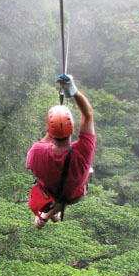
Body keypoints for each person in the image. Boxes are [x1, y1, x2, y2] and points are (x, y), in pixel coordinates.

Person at [26, 85, 95, 228]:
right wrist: (73, 90)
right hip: (74, 194)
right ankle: (48, 216)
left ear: (48, 130)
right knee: (81, 176)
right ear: (73, 128)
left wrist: (52, 128)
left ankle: (47, 215)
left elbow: (43, 142)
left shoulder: (36, 152)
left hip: (50, 191)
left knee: (57, 189)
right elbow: (87, 114)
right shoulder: (83, 152)